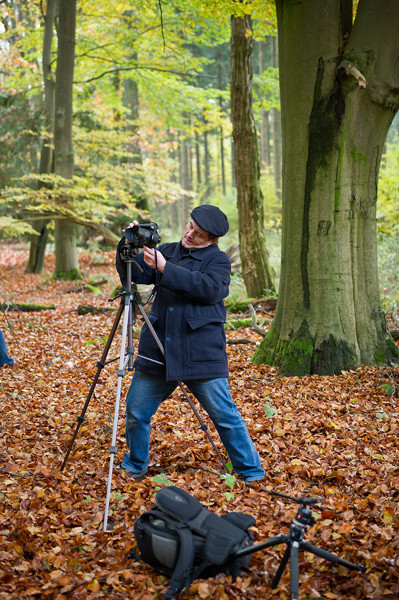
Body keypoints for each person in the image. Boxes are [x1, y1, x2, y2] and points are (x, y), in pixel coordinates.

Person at [115, 205, 265, 483]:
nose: (190, 234)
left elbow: (209, 289)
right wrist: (127, 245)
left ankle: (251, 472)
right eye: (190, 226)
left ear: (212, 240)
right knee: (136, 412)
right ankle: (135, 465)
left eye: (199, 234)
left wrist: (165, 267)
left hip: (199, 353)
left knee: (225, 416)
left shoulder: (218, 261)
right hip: (158, 349)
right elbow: (134, 275)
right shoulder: (169, 250)